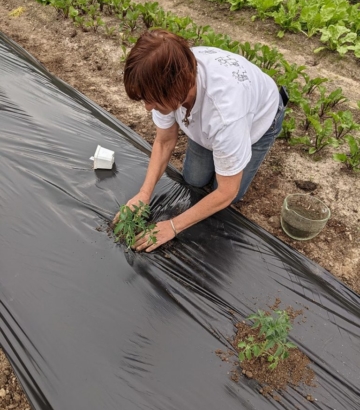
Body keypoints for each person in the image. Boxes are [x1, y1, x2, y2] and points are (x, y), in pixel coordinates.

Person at [113, 29, 287, 252]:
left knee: (225, 196)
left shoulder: (225, 114)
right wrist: (144, 194)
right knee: (193, 181)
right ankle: (225, 154)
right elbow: (165, 141)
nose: (148, 107)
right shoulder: (165, 78)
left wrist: (172, 226)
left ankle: (235, 154)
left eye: (152, 100)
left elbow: (226, 192)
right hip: (210, 121)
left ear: (178, 89)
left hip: (260, 119)